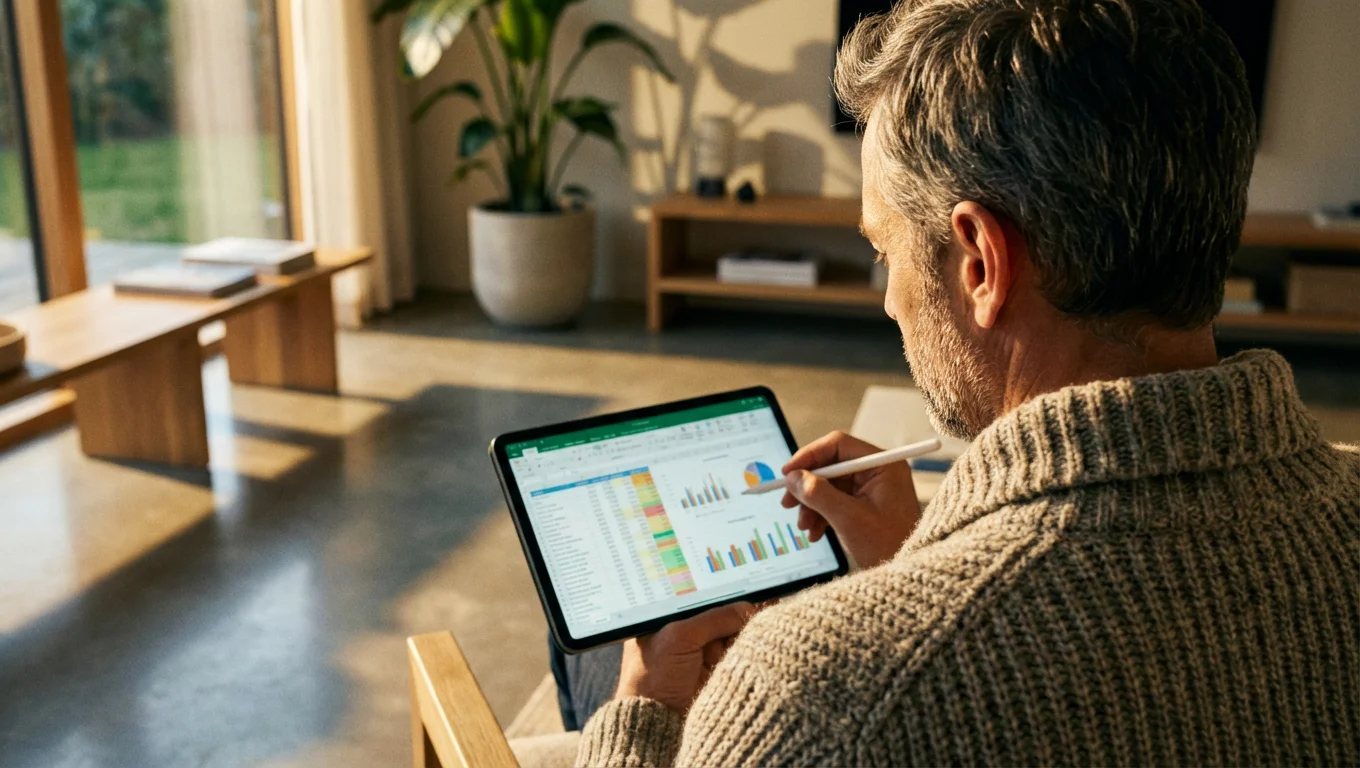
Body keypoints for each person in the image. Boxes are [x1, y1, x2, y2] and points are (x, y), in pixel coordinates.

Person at [558, 0, 1360, 764]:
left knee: (590, 658)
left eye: (885, 250)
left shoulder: (814, 693)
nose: (888, 299)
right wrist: (914, 569)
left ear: (980, 263)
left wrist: (645, 711)